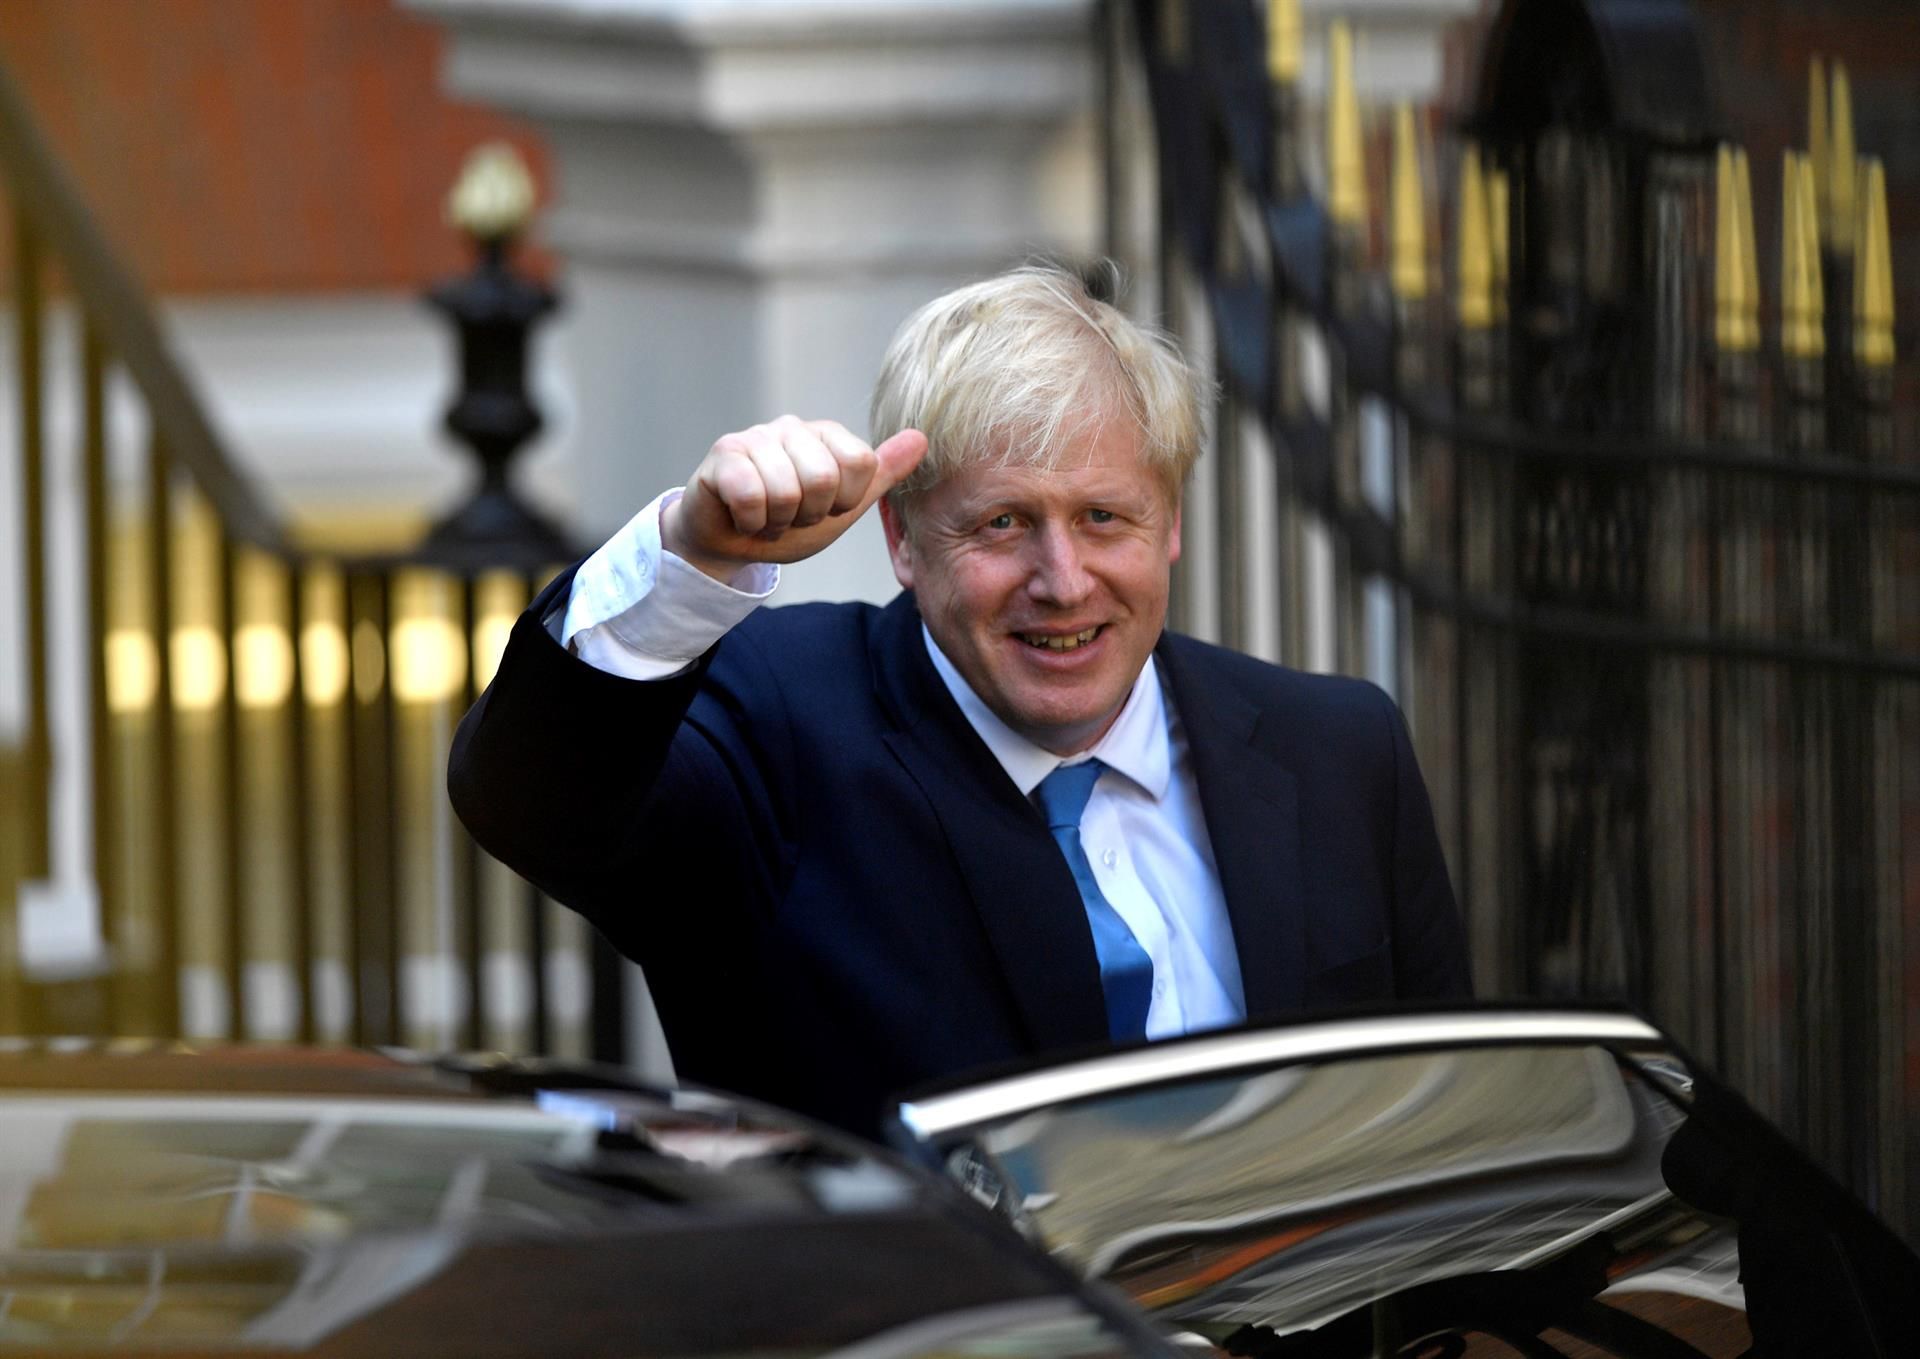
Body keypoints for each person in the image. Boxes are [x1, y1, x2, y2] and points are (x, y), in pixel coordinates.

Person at [449, 264, 1470, 1137]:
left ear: (1170, 525)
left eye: (1104, 517)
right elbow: (533, 805)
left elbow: (1442, 1140)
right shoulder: (779, 725)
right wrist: (690, 556)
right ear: (902, 541)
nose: (1062, 579)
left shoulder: (1340, 749)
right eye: (1002, 524)